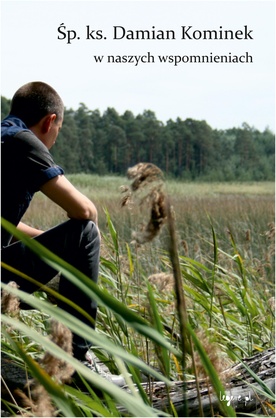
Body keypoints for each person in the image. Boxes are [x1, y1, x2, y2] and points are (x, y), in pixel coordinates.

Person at [1, 81, 125, 386]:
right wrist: (83, 252)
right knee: (86, 233)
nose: (55, 138)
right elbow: (86, 213)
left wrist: (53, 250)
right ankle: (76, 363)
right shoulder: (23, 141)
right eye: (59, 130)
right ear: (50, 121)